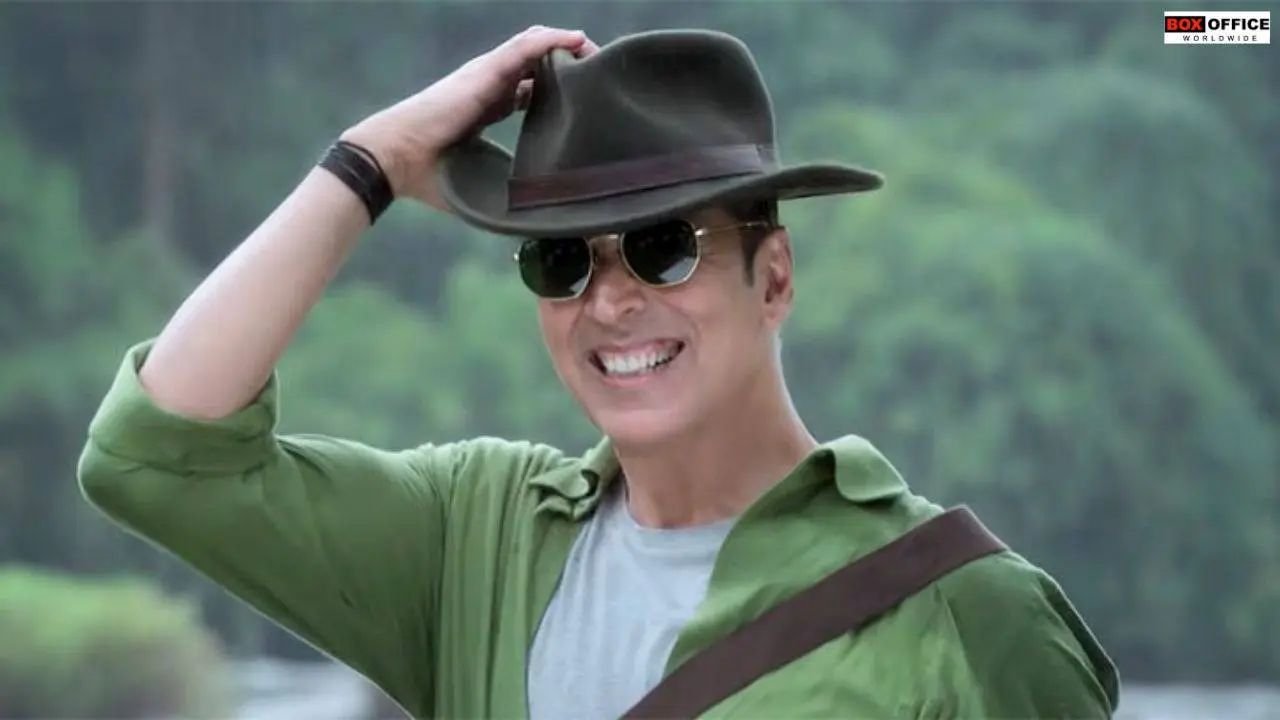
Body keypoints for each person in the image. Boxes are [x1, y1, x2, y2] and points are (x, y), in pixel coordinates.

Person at [77, 25, 1120, 719]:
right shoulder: (472, 540)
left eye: (664, 248)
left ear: (772, 276)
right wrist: (372, 162)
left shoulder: (962, 612)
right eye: (563, 261)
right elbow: (152, 455)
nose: (610, 301)